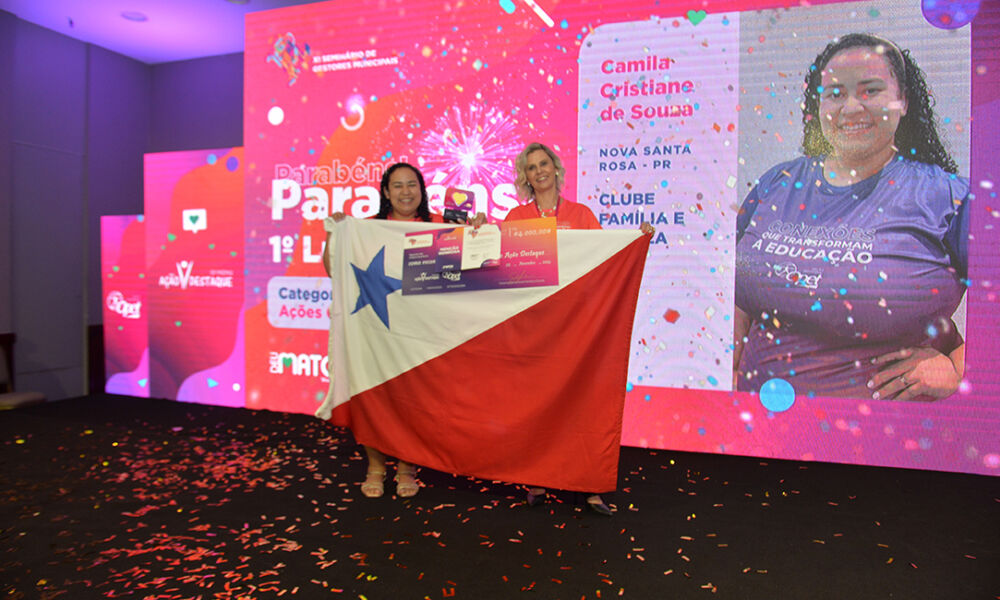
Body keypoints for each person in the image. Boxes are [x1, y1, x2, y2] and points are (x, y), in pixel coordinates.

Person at [733, 34, 969, 402]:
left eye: (870, 91)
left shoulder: (949, 197)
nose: (851, 108)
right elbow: (736, 297)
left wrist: (959, 370)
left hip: (882, 446)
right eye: (836, 94)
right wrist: (725, 378)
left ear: (903, 100)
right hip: (755, 433)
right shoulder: (775, 184)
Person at [504, 142, 653, 515]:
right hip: (535, 327)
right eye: (531, 167)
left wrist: (636, 240)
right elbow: (501, 266)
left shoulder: (581, 213)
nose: (539, 171)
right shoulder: (516, 217)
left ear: (555, 168)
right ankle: (536, 478)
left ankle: (589, 486)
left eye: (544, 164)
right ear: (524, 176)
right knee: (536, 404)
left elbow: (603, 261)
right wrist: (476, 231)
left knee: (581, 403)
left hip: (577, 327)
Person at [323, 161, 485, 498]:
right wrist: (333, 236)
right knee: (375, 399)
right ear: (385, 191)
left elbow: (474, 266)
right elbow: (333, 269)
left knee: (415, 399)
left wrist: (478, 230)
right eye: (397, 186)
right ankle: (376, 466)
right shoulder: (367, 228)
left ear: (421, 190)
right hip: (376, 332)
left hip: (421, 334)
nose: (405, 192)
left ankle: (407, 465)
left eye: (412, 184)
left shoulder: (441, 224)